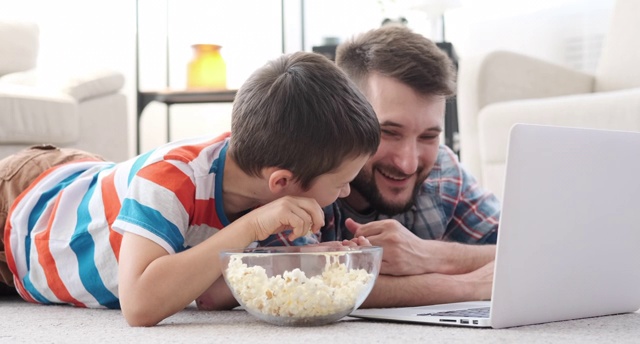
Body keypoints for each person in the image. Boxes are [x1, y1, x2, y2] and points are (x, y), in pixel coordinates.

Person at [0, 51, 380, 326]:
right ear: (280, 182)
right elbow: (140, 306)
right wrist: (250, 228)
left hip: (87, 193)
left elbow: (213, 294)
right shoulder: (172, 178)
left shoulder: (273, 200)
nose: (345, 193)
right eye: (342, 183)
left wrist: (307, 262)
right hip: (24, 204)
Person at [319, 25, 501, 307]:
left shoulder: (442, 171)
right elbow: (294, 279)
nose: (408, 163)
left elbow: (528, 251)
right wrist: (467, 284)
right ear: (344, 119)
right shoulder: (306, 172)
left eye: (428, 136)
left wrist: (430, 255)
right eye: (389, 132)